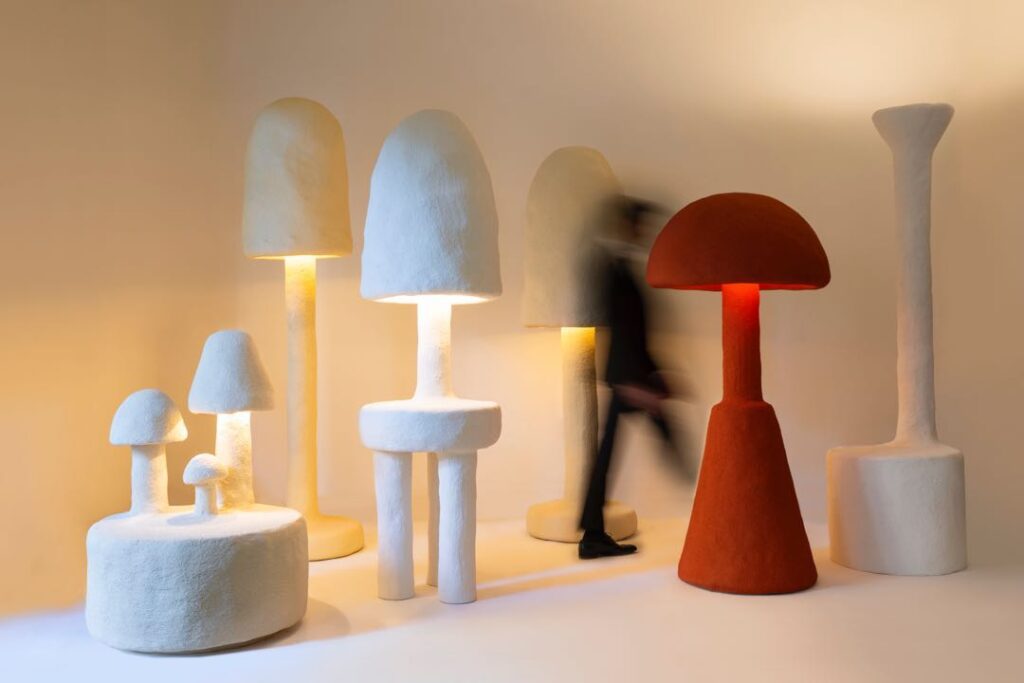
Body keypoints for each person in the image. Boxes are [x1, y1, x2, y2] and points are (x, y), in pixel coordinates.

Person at [578, 196, 679, 560]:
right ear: (626, 226)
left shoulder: (620, 268)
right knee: (619, 452)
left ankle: (592, 533)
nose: (643, 233)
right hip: (627, 376)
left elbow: (636, 332)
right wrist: (634, 384)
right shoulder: (612, 271)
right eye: (639, 225)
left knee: (609, 454)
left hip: (634, 373)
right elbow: (621, 330)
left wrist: (654, 372)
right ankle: (591, 534)